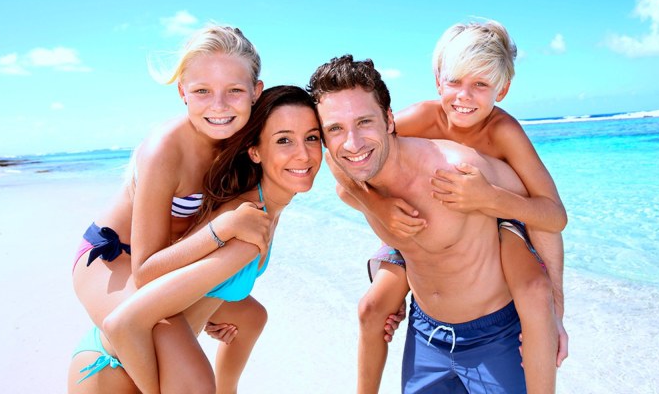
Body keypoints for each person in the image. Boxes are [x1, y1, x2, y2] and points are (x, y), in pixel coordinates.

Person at [351, 20, 568, 393]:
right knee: (372, 307)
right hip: (421, 224)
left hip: (494, 220)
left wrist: (490, 198)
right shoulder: (419, 119)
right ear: (439, 80)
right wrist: (378, 206)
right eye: (455, 82)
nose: (464, 96)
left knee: (534, 291)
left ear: (502, 89)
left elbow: (554, 215)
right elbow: (351, 160)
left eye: (481, 85)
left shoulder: (503, 132)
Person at [309, 54, 534, 393]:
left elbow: (540, 211)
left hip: (494, 335)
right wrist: (378, 206)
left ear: (389, 120)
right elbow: (338, 168)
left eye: (365, 122)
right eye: (335, 129)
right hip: (425, 332)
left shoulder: (457, 170)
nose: (352, 143)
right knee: (370, 309)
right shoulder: (355, 188)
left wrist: (552, 305)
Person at [68, 25, 270, 393]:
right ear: (182, 93)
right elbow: (145, 271)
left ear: (255, 92)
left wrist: (204, 305)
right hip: (115, 260)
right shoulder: (165, 150)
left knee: (251, 317)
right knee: (193, 380)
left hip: (168, 261)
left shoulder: (245, 144)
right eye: (202, 91)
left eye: (235, 90)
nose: (219, 105)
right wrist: (224, 228)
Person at [101, 85, 322, 394]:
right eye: (284, 140)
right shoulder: (244, 228)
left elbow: (207, 291)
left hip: (157, 356)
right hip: (119, 371)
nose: (304, 154)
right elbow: (123, 323)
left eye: (312, 137)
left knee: (254, 316)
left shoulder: (262, 208)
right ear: (255, 151)